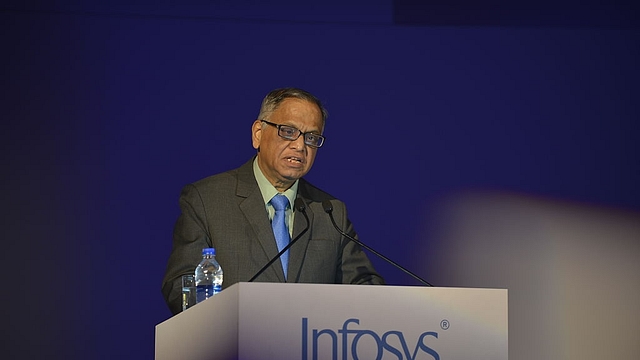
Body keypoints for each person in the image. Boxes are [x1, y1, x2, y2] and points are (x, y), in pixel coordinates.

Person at [161, 87, 384, 315]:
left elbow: (365, 288)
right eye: (288, 131)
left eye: (311, 137)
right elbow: (181, 285)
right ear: (258, 133)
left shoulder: (330, 212)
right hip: (233, 346)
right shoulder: (207, 199)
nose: (300, 146)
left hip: (311, 346)